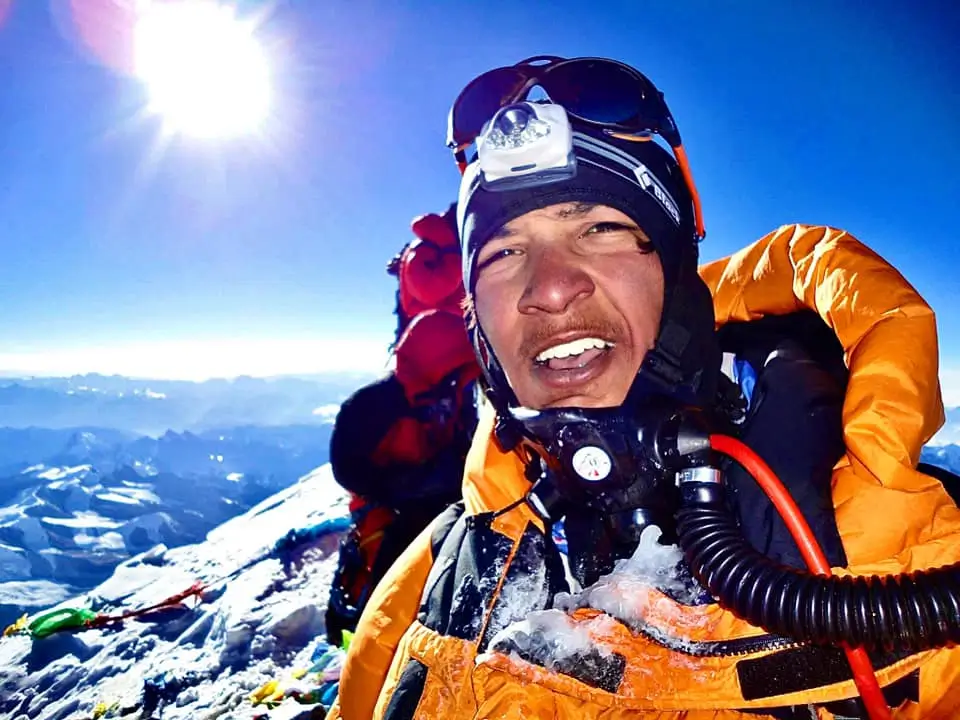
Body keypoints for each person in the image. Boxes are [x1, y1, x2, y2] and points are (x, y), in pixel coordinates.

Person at [328, 56, 960, 719]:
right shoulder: (444, 567)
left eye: (599, 230)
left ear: (680, 282)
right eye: (504, 253)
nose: (548, 287)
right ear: (477, 323)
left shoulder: (905, 556)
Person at [324, 204, 479, 647]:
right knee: (400, 558)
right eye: (456, 378)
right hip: (390, 506)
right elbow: (348, 467)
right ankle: (372, 638)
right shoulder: (376, 406)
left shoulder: (444, 403)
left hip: (416, 499)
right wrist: (403, 486)